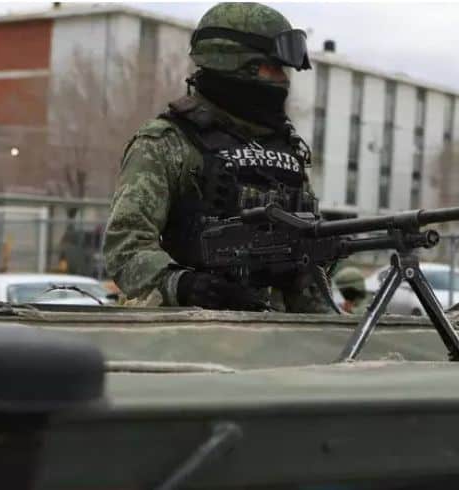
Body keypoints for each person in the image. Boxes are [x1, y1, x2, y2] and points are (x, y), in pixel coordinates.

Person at [103, 2, 334, 313]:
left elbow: (309, 282)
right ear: (237, 65)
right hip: (184, 337)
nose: (284, 80)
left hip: (279, 340)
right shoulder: (167, 142)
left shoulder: (286, 152)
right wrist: (183, 286)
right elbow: (125, 246)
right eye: (275, 67)